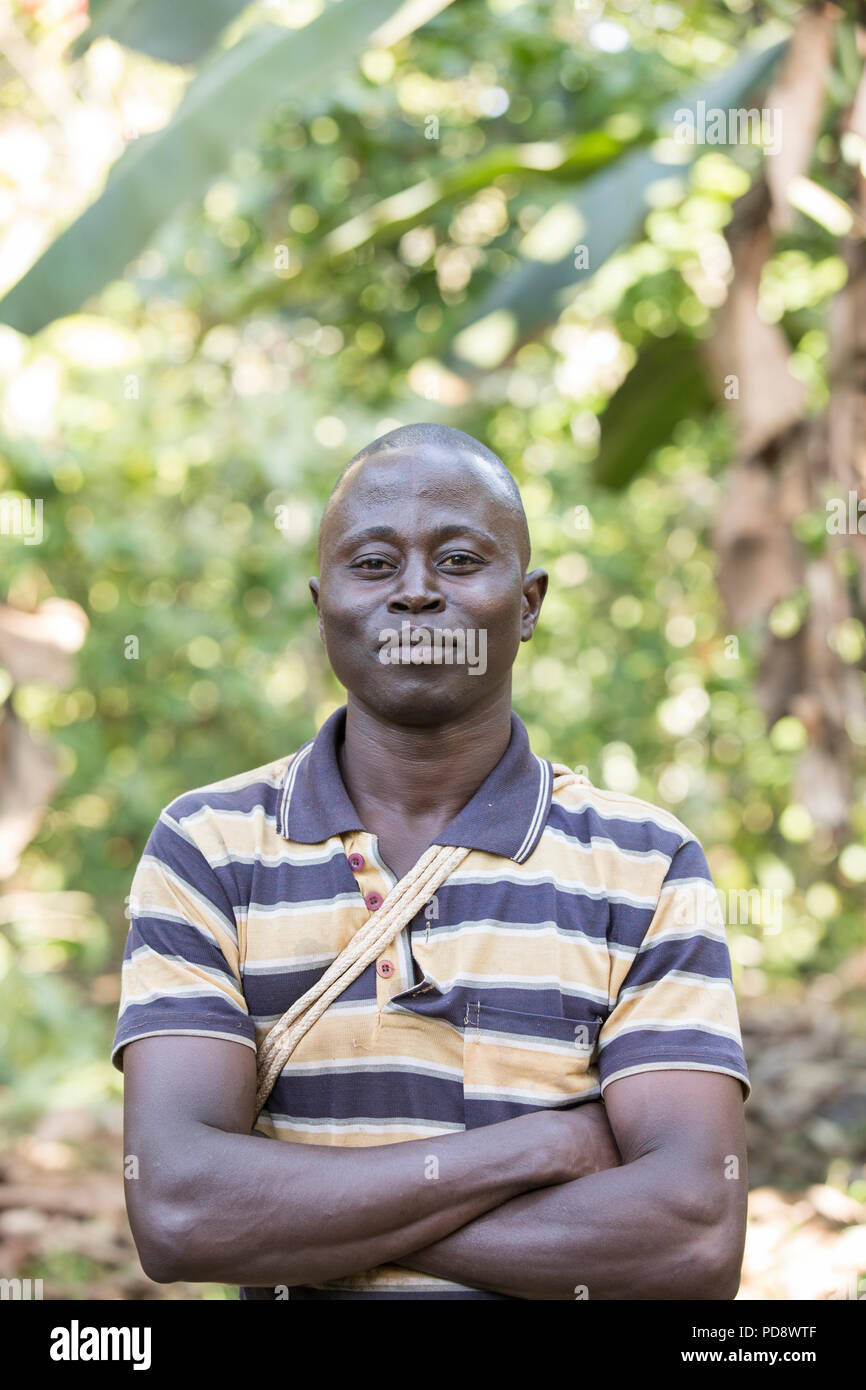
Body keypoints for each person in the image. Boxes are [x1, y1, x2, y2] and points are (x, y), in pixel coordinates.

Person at [113, 422, 750, 1300]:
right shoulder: (210, 848)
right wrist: (540, 1149)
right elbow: (182, 1213)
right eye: (372, 564)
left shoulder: (644, 865)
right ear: (322, 601)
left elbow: (692, 1235)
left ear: (527, 605)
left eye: (458, 560)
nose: (414, 594)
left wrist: (301, 1205)